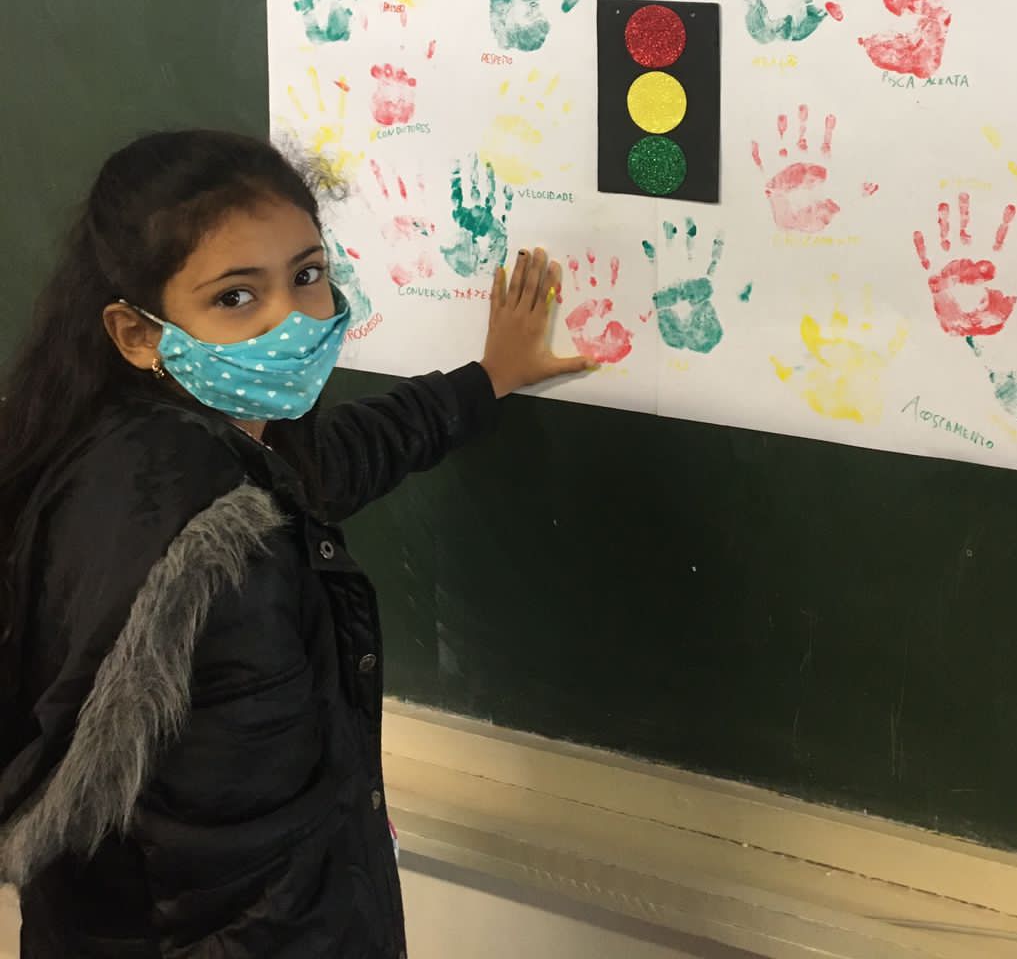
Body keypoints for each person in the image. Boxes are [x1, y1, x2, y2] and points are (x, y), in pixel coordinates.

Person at [0, 129, 589, 957]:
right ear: (137, 333)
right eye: (236, 297)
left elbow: (330, 462)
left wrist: (487, 379)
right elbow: (263, 904)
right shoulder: (219, 561)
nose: (293, 319)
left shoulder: (125, 451)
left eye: (307, 275)